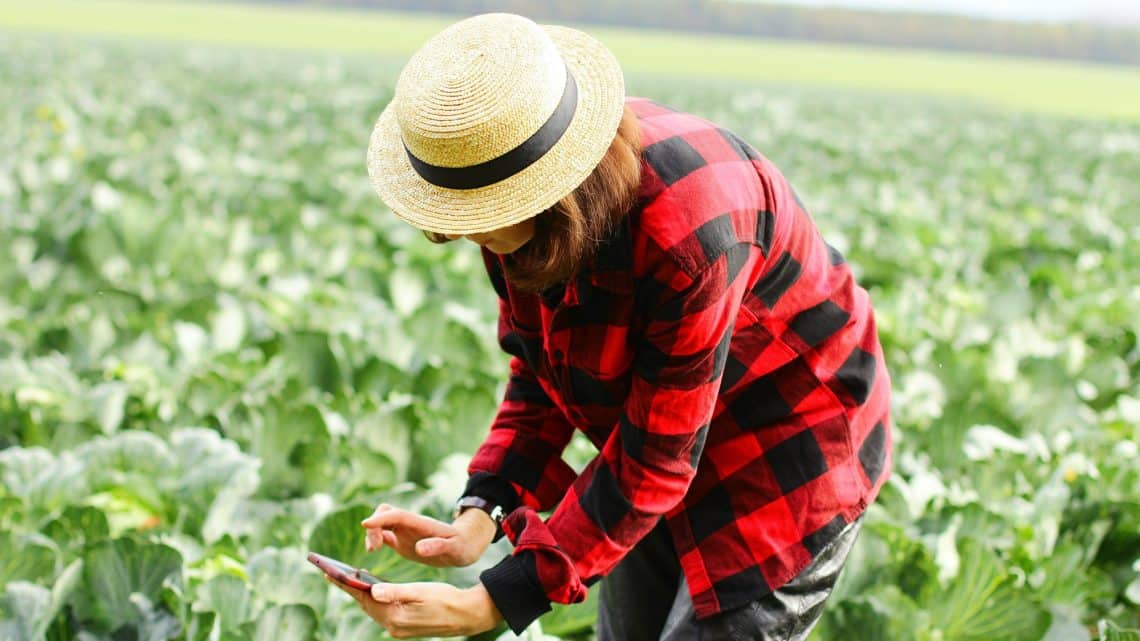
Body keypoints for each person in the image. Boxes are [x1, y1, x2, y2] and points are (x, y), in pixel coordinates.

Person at [330, 12, 892, 641]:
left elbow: (655, 464)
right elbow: (541, 371)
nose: (465, 231)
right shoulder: (509, 190)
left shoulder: (690, 230)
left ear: (549, 191)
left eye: (479, 215)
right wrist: (480, 512)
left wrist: (491, 604)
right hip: (648, 441)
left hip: (785, 449)